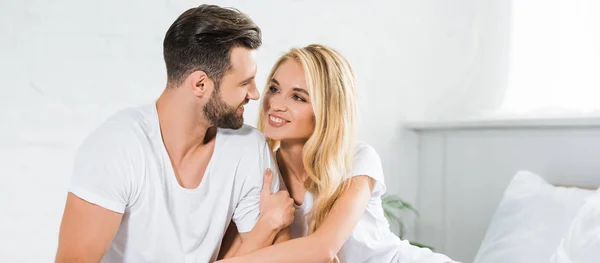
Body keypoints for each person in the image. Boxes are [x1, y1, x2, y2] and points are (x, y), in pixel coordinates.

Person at [54, 5, 294, 263]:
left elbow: (278, 257)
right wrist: (264, 228)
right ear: (200, 84)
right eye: (245, 82)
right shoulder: (117, 147)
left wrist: (266, 231)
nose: (255, 94)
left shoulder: (248, 148)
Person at [218, 44, 456, 263]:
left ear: (327, 109)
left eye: (298, 97)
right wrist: (267, 223)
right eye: (274, 88)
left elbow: (323, 249)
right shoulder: (260, 172)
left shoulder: (356, 159)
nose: (276, 104)